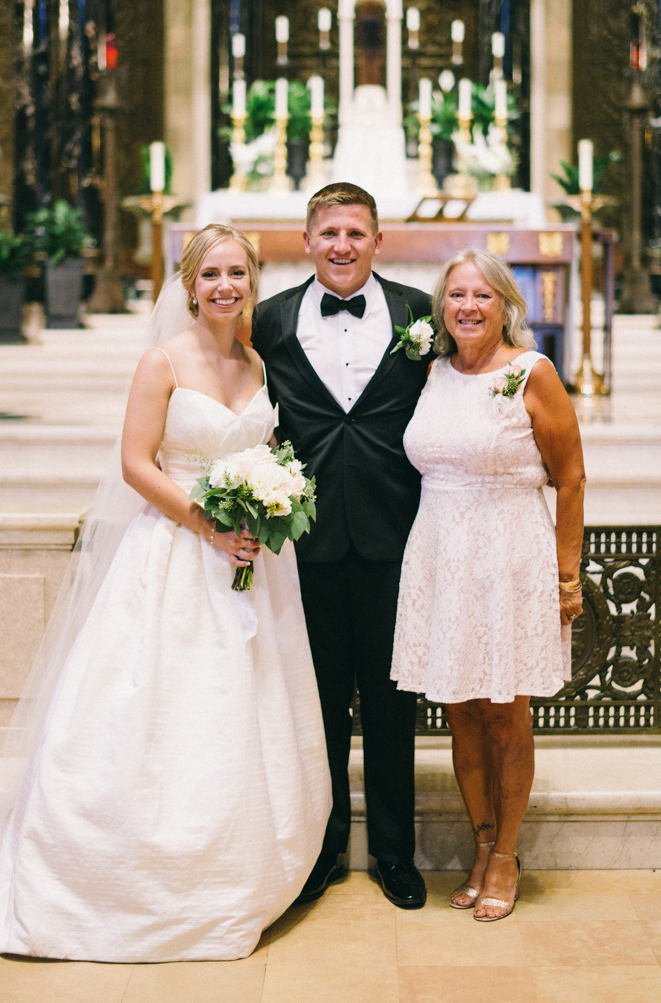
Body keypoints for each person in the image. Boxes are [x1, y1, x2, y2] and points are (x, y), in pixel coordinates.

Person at [0, 224, 330, 962]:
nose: (226, 286)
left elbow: (263, 451)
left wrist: (266, 506)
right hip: (175, 558)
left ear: (254, 282)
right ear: (190, 284)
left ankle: (237, 873)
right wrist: (209, 528)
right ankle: (131, 881)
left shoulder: (257, 362)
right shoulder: (162, 361)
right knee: (163, 709)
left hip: (251, 559)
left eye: (239, 274)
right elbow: (135, 462)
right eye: (212, 274)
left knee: (243, 709)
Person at [252, 182, 432, 910]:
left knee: (393, 705)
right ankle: (320, 852)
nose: (342, 246)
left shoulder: (422, 313)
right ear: (307, 240)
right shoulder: (267, 319)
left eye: (356, 233)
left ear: (378, 241)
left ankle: (394, 853)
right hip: (306, 541)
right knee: (317, 703)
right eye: (329, 233)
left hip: (399, 535)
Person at [391, 248, 585, 921]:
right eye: (456, 296)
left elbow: (572, 477)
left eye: (482, 296)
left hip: (509, 556)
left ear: (506, 304)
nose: (468, 307)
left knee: (506, 714)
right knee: (460, 710)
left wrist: (567, 576)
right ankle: (480, 843)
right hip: (441, 553)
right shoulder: (434, 372)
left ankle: (506, 854)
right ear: (441, 307)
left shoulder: (533, 374)